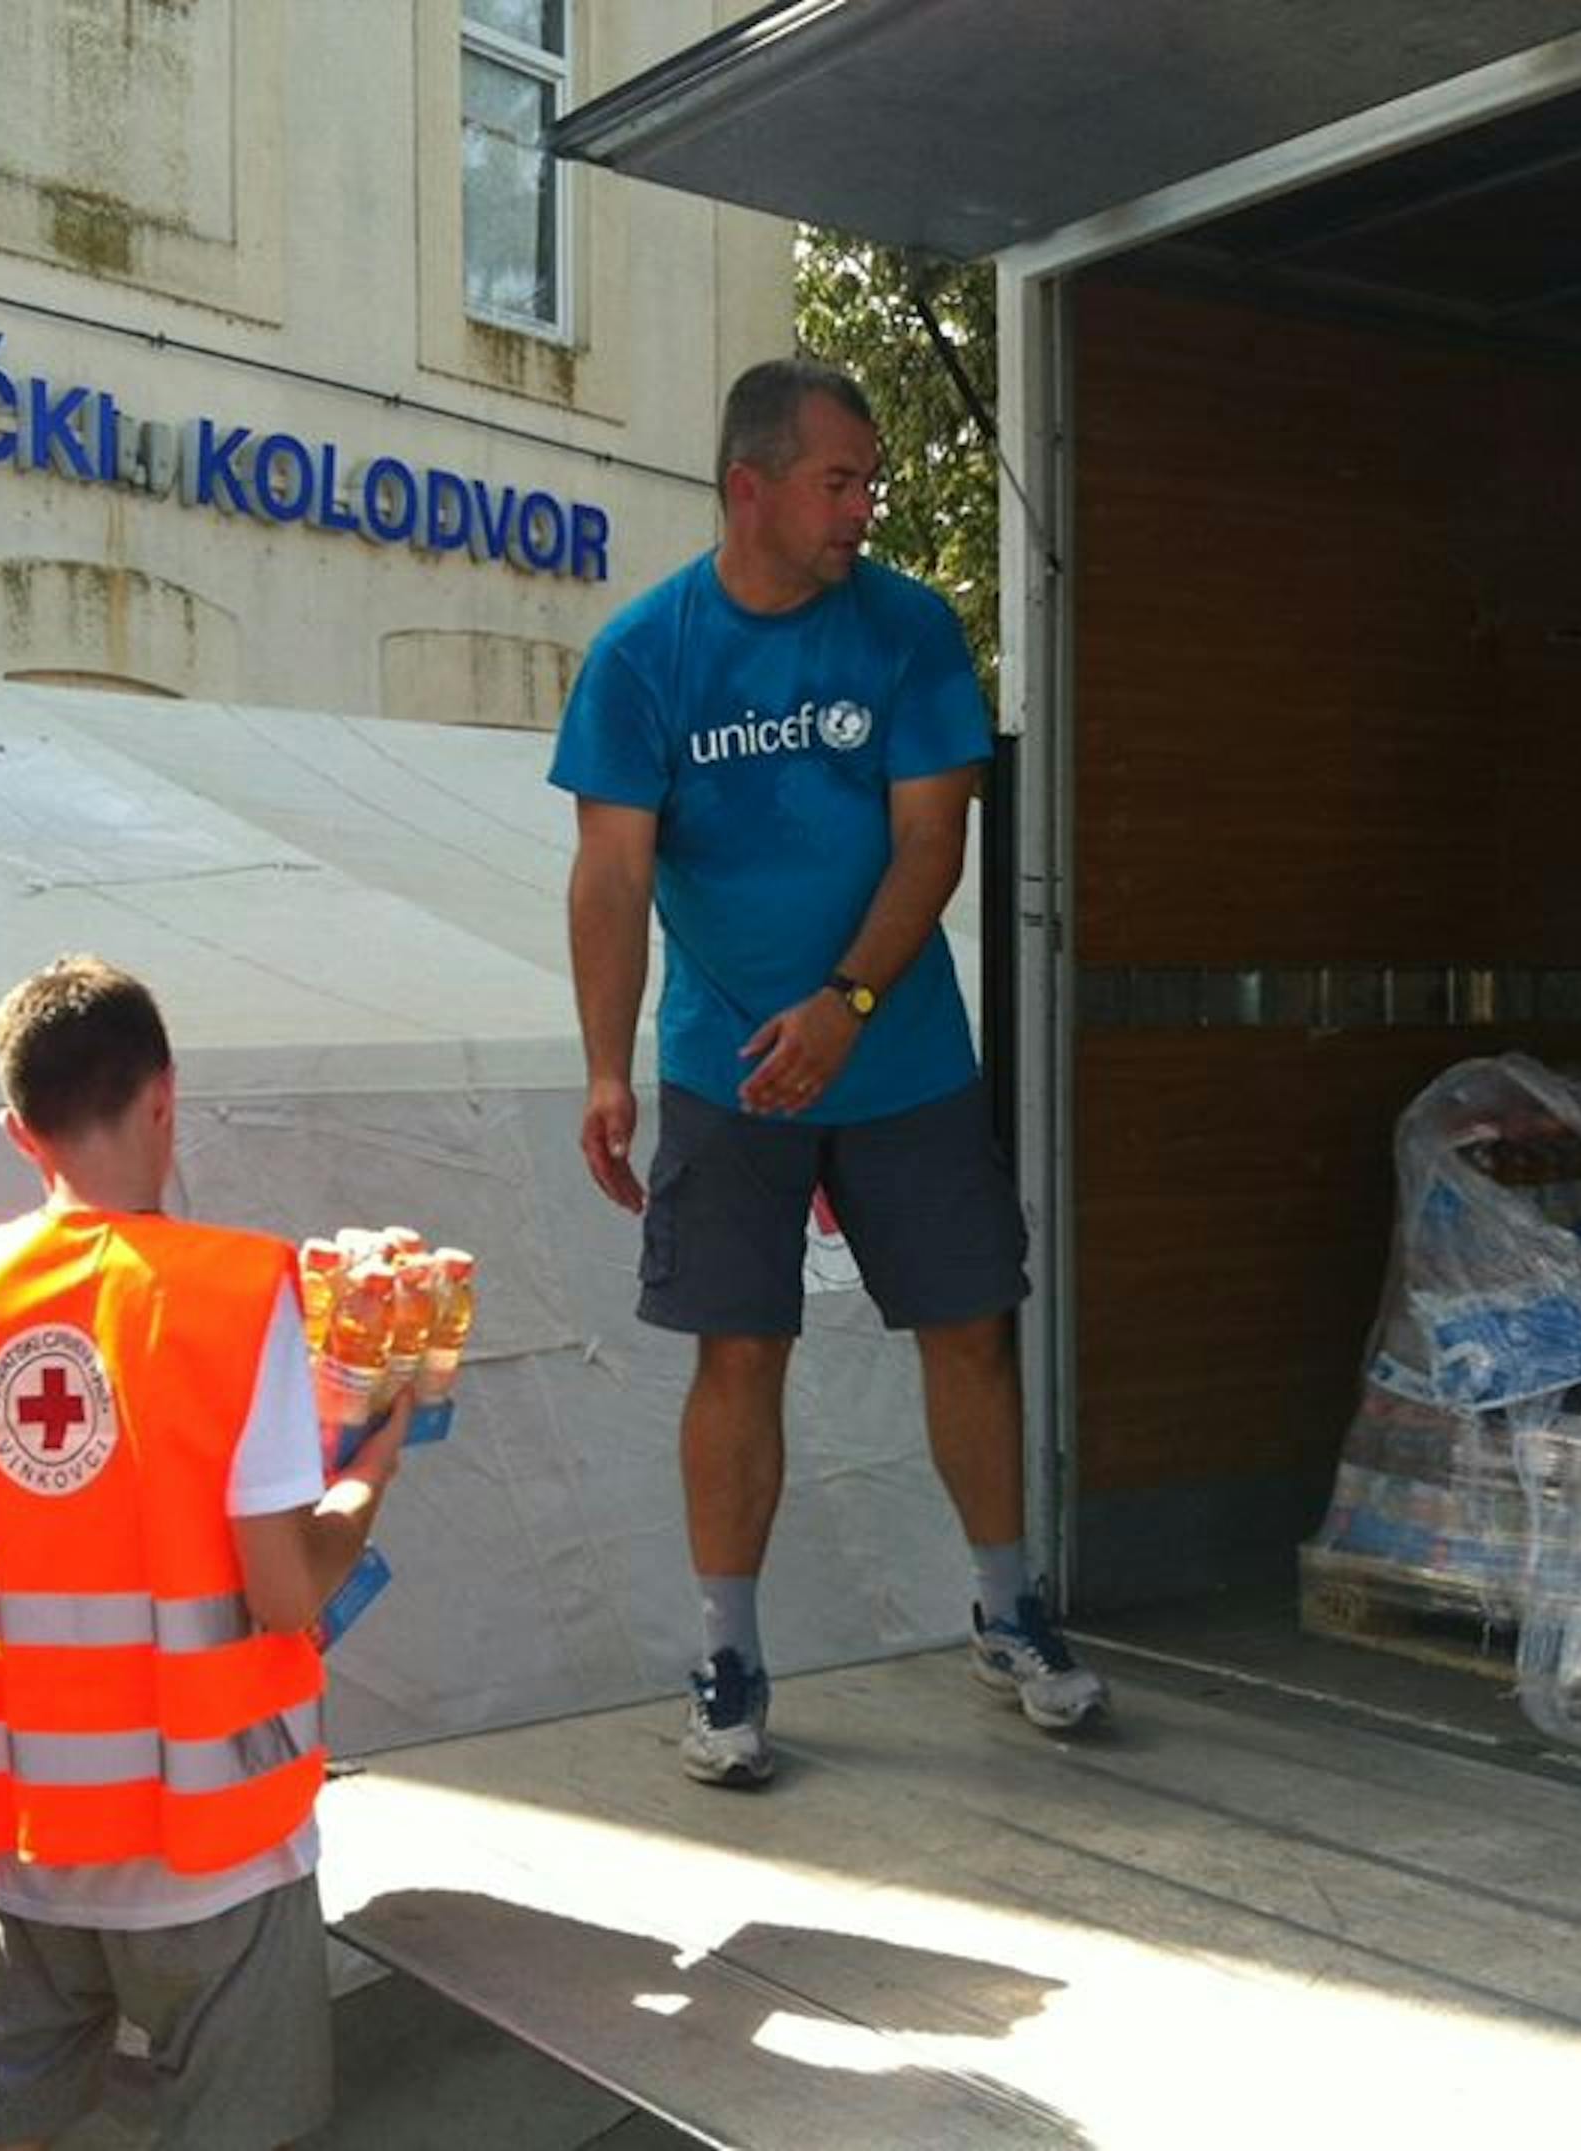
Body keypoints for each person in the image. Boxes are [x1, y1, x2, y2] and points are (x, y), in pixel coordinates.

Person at [550, 356, 1106, 1791]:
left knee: (971, 1325)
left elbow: (936, 841)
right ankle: (727, 1658)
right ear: (751, 487)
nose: (867, 505)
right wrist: (607, 1069)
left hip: (902, 1057)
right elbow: (609, 875)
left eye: (870, 480)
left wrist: (848, 1002)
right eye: (839, 480)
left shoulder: (910, 631)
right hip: (726, 1073)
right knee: (741, 1352)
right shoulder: (643, 655)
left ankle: (1008, 1607)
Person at [0, 956, 408, 2151]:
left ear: (20, 1132)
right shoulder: (235, 1293)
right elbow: (282, 1591)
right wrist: (369, 1475)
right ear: (167, 1096)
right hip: (213, 1854)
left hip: (24, 1846)